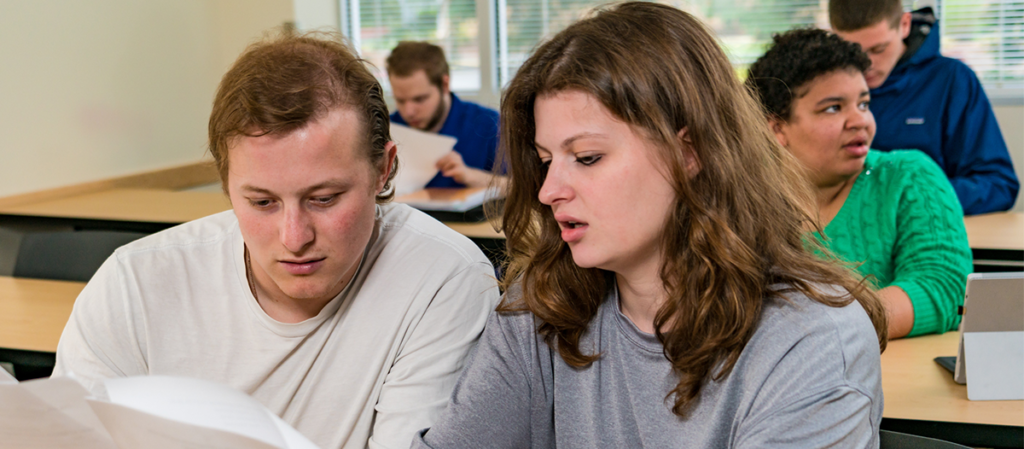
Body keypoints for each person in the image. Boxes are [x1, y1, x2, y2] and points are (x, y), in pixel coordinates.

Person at [413, 3, 888, 447]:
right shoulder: (541, 306)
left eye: (587, 157)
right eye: (544, 160)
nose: (548, 190)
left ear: (690, 151)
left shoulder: (811, 342)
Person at [52, 31, 500, 449]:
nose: (294, 238)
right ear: (226, 184)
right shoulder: (133, 284)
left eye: (324, 198)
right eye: (262, 202)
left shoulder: (444, 279)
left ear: (383, 170)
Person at [747, 28, 973, 339]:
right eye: (833, 108)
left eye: (864, 104)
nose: (860, 121)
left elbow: (941, 285)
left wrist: (817, 331)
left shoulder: (908, 175)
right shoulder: (745, 198)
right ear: (777, 129)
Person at [828, 0, 1019, 215]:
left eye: (879, 49)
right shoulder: (822, 87)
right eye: (853, 51)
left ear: (905, 24)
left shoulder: (952, 81)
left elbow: (999, 185)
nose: (866, 64)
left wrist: (908, 200)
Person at [386, 41, 502, 189]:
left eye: (419, 99)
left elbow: (519, 188)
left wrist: (469, 175)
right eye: (400, 100)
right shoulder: (387, 130)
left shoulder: (490, 124)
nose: (408, 111)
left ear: (445, 85)